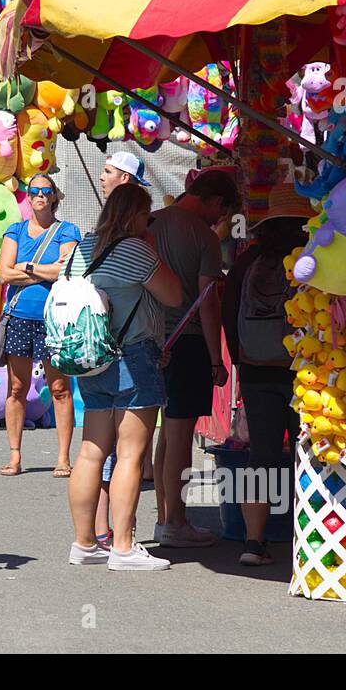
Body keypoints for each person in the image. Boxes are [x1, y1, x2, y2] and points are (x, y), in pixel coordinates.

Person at [65, 184, 183, 571]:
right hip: (131, 356)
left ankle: (84, 543)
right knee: (131, 453)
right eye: (146, 216)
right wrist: (149, 244)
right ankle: (124, 546)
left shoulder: (80, 252)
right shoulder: (135, 250)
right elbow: (173, 296)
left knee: (90, 451)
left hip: (90, 358)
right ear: (135, 215)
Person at [222, 182, 312, 566]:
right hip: (303, 371)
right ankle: (308, 537)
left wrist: (242, 361)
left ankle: (253, 542)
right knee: (309, 452)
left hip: (257, 368)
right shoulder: (312, 257)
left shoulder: (247, 260)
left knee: (261, 456)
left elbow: (228, 312)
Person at [149, 167, 239, 548]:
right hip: (184, 341)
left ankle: (163, 516)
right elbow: (207, 302)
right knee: (181, 435)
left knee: (165, 434)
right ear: (215, 202)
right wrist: (216, 358)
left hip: (150, 338)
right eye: (221, 214)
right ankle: (177, 521)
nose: (219, 222)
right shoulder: (202, 236)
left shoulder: (151, 220)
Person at [0, 174, 80, 477]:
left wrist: (28, 267)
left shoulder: (67, 230)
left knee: (60, 387)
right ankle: (15, 455)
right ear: (28, 197)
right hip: (19, 317)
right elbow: (4, 274)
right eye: (34, 191)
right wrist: (46, 272)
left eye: (46, 191)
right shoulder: (15, 231)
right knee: (17, 388)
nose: (40, 196)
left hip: (54, 318)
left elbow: (68, 269)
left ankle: (63, 457)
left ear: (55, 197)